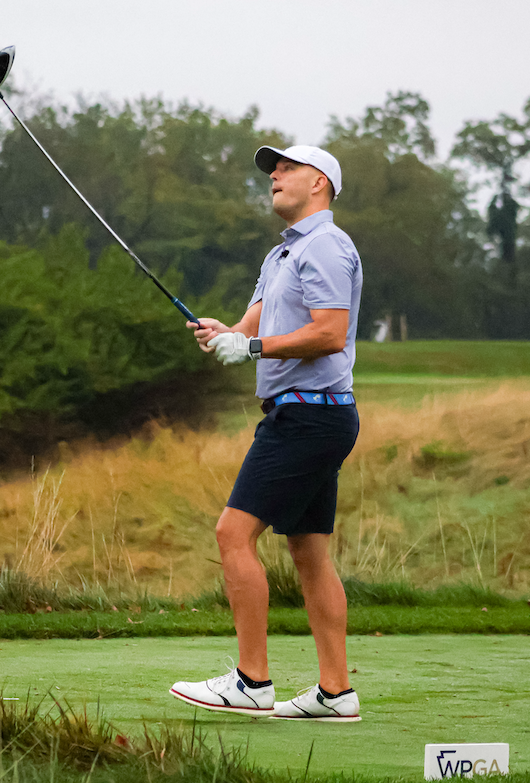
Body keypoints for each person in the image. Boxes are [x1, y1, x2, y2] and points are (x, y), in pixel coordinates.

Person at [169, 145, 363, 722]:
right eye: (272, 169)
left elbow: (329, 334)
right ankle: (335, 693)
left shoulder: (326, 245)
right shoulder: (283, 253)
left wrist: (250, 347)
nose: (274, 175)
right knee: (309, 551)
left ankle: (251, 681)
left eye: (287, 168)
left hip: (309, 416)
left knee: (233, 534)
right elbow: (250, 325)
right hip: (308, 414)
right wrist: (224, 333)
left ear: (319, 183)